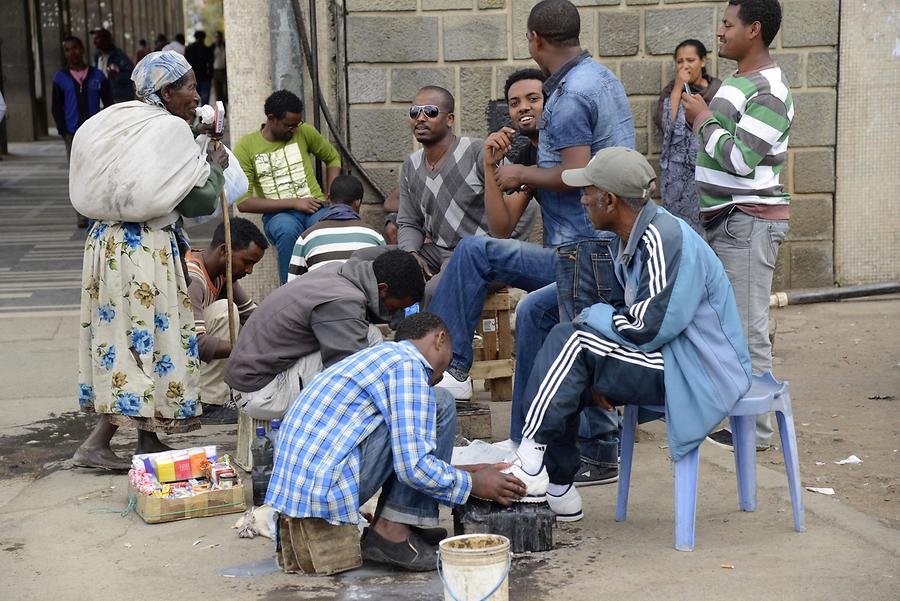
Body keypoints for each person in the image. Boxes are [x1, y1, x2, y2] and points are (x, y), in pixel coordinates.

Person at [435, 0, 634, 489]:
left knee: (476, 254)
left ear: (534, 39)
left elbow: (583, 172)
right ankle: (528, 444)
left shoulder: (567, 100)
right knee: (530, 315)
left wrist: (522, 172)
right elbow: (503, 224)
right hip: (588, 255)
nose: (525, 108)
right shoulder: (602, 80)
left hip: (589, 255)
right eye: (516, 102)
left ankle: (453, 367)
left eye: (531, 99)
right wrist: (494, 167)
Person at [504, 147, 751, 518]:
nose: (582, 198)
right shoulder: (634, 236)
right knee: (568, 361)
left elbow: (648, 328)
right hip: (672, 357)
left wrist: (596, 315)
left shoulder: (662, 237)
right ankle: (557, 485)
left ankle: (530, 460)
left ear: (609, 199)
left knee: (571, 339)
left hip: (701, 371)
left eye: (588, 191)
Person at [267, 312, 526, 573]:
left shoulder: (382, 358)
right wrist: (473, 484)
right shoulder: (407, 365)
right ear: (440, 339)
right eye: (447, 363)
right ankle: (392, 531)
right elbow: (412, 466)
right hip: (324, 490)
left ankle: (401, 520)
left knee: (425, 408)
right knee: (440, 402)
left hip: (306, 492)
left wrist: (465, 472)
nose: (442, 374)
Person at [70, 51, 228, 469]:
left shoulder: (121, 121)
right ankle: (96, 444)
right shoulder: (167, 131)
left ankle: (148, 439)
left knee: (134, 339)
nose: (197, 96)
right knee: (142, 341)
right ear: (166, 91)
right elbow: (200, 200)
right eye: (190, 87)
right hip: (143, 251)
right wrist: (212, 167)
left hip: (105, 245)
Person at [682, 0, 791, 452]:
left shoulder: (769, 88)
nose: (720, 32)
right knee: (731, 324)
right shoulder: (738, 80)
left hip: (747, 221)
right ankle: (742, 419)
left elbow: (741, 160)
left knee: (748, 327)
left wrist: (702, 117)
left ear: (755, 30)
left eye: (728, 25)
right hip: (727, 220)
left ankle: (758, 433)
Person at [225, 249, 423, 419]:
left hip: (249, 382)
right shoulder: (344, 300)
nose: (394, 314)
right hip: (261, 394)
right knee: (370, 342)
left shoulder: (338, 271)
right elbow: (348, 376)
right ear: (382, 289)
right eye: (395, 307)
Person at [397, 85, 537, 308]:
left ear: (450, 119)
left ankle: (434, 342)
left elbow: (525, 202)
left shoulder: (477, 152)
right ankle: (396, 339)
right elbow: (408, 222)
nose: (420, 118)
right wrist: (410, 253)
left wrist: (500, 248)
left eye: (430, 111)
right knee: (386, 266)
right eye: (415, 112)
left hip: (481, 255)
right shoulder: (410, 166)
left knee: (436, 289)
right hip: (440, 252)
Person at [233, 90, 341, 283]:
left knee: (324, 227)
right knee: (287, 230)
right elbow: (244, 202)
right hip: (278, 215)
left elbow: (332, 158)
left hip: (315, 207)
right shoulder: (247, 146)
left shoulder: (303, 132)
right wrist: (294, 203)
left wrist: (332, 195)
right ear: (271, 119)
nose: (294, 130)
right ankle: (291, 291)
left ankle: (329, 286)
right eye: (288, 126)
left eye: (297, 125)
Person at [186, 217, 268, 425]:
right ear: (224, 251)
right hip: (177, 356)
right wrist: (245, 351)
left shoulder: (224, 273)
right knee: (226, 309)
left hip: (192, 360)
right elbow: (196, 344)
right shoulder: (193, 279)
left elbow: (253, 315)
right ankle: (209, 402)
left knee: (236, 313)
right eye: (247, 262)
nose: (249, 271)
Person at [655, 39, 721, 233]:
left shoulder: (718, 91)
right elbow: (666, 126)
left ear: (703, 61)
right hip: (679, 183)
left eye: (690, 60)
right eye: (680, 61)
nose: (685, 65)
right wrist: (678, 88)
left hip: (709, 174)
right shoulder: (670, 92)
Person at [51, 36, 112, 228]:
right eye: (67, 49)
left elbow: (110, 104)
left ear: (83, 49)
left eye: (75, 48)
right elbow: (56, 107)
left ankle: (98, 211)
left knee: (99, 171)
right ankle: (81, 214)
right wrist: (63, 132)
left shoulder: (98, 76)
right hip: (72, 134)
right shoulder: (60, 78)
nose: (72, 53)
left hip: (96, 134)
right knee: (77, 173)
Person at [287, 174, 385, 280]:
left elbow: (293, 284)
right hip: (361, 296)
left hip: (321, 296)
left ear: (328, 198)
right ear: (358, 202)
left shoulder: (306, 238)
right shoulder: (375, 237)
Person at [90, 28, 134, 103]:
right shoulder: (97, 56)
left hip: (117, 99)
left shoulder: (119, 56)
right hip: (101, 99)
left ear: (106, 39)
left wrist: (116, 76)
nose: (94, 42)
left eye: (97, 39)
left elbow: (132, 75)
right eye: (94, 39)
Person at [185, 31, 213, 106]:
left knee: (192, 97)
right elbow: (210, 64)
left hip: (192, 77)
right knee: (205, 99)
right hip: (204, 77)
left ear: (195, 37)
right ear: (204, 38)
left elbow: (185, 63)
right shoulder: (207, 49)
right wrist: (210, 76)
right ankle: (203, 116)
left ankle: (193, 114)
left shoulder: (189, 48)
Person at [211, 31, 227, 104]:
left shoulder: (225, 46)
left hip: (224, 71)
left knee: (225, 92)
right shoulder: (212, 47)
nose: (218, 39)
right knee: (218, 93)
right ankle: (222, 111)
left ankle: (226, 104)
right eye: (216, 37)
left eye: (219, 37)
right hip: (216, 71)